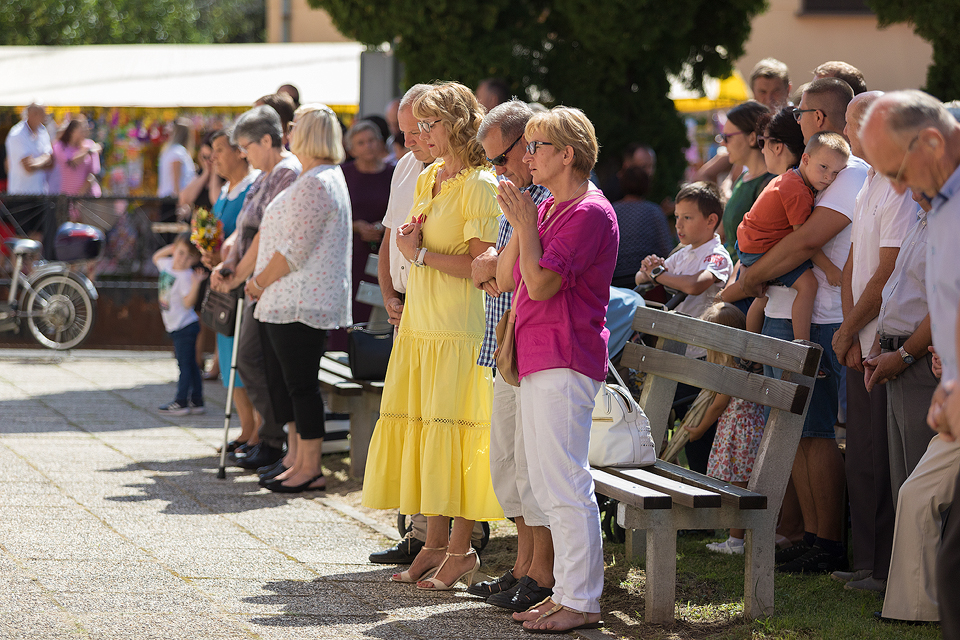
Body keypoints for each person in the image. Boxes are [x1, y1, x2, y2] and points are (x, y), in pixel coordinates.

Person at [360, 82, 501, 593]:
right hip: (422, 325)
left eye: (429, 124)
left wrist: (418, 255)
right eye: (418, 126)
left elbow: (483, 267)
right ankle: (433, 544)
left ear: (458, 124)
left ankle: (461, 550)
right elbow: (408, 239)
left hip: (459, 327)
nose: (420, 134)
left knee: (458, 432)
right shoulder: (430, 176)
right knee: (426, 432)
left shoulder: (481, 185)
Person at [740, 77, 868, 575]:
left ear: (816, 119)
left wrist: (744, 279)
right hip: (786, 309)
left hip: (819, 319)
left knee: (815, 433)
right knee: (795, 429)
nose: (794, 119)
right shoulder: (817, 172)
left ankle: (827, 540)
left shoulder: (849, 174)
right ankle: (811, 536)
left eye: (801, 112)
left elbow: (799, 244)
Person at [495, 105, 615, 633]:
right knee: (546, 484)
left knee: (565, 482)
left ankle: (583, 601)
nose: (527, 155)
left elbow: (541, 284)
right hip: (542, 355)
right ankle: (566, 593)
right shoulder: (553, 207)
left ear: (567, 154)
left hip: (566, 357)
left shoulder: (589, 212)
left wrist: (522, 223)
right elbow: (518, 285)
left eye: (538, 145)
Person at [858, 90, 960, 633]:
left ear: (932, 142)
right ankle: (917, 609)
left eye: (898, 171)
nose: (898, 188)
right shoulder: (939, 205)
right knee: (917, 494)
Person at [825, 91, 917, 593]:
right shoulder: (868, 182)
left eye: (855, 123)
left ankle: (885, 569)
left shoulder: (900, 188)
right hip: (860, 335)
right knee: (861, 452)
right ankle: (866, 560)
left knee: (883, 457)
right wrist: (847, 332)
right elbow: (851, 270)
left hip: (884, 336)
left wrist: (856, 331)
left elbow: (887, 272)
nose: (850, 132)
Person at [470, 99, 555, 612]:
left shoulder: (546, 196)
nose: (496, 170)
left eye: (501, 158)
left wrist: (490, 266)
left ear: (530, 146)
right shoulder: (516, 193)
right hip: (506, 345)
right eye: (491, 162)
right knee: (506, 463)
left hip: (532, 348)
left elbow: (502, 274)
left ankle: (540, 573)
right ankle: (522, 565)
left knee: (528, 464)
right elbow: (493, 268)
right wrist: (490, 265)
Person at [244, 104, 352, 493]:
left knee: (302, 387)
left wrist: (257, 283)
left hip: (301, 300)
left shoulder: (318, 182)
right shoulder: (319, 177)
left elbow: (293, 251)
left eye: (294, 126)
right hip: (297, 299)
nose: (287, 130)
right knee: (296, 386)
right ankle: (297, 459)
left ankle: (309, 467)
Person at [210, 104, 301, 472]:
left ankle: (272, 437)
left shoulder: (286, 173)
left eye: (247, 146)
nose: (243, 154)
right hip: (254, 282)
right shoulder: (265, 175)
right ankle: (269, 437)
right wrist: (230, 256)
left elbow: (268, 235)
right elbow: (245, 226)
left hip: (268, 284)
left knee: (254, 358)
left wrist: (241, 273)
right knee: (252, 359)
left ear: (267, 139)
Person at [635, 181, 732, 473]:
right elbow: (642, 279)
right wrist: (651, 270)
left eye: (687, 218)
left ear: (711, 220)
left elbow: (694, 285)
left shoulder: (717, 255)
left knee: (697, 433)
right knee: (663, 423)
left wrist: (659, 274)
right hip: (679, 354)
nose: (679, 224)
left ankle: (703, 499)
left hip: (704, 357)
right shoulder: (682, 253)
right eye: (676, 217)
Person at [723, 132, 851, 340]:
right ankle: (803, 346)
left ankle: (750, 350)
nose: (829, 177)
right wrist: (829, 269)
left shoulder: (791, 178)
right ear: (806, 159)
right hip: (760, 248)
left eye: (836, 173)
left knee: (764, 294)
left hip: (750, 245)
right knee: (808, 285)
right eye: (824, 168)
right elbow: (803, 241)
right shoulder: (797, 191)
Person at [685, 302, 765, 555]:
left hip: (737, 431)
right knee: (741, 484)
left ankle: (736, 540)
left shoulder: (730, 368)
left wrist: (698, 430)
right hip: (746, 428)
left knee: (738, 486)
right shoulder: (746, 363)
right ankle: (737, 537)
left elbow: (719, 405)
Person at [202, 128, 261, 450]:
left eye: (221, 149)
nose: (215, 157)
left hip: (244, 283)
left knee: (245, 356)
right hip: (226, 284)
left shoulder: (252, 187)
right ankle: (245, 428)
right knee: (228, 357)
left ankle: (258, 431)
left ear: (240, 151)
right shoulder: (226, 189)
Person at [342, 119, 394, 334]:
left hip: (384, 250)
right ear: (352, 149)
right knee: (353, 308)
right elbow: (335, 213)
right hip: (352, 253)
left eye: (372, 140)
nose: (368, 146)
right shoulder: (344, 174)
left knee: (380, 310)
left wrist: (384, 226)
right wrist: (355, 226)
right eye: (361, 143)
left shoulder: (393, 173)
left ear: (380, 142)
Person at [152, 233, 206, 416]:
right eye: (180, 253)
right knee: (190, 364)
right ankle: (197, 400)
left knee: (184, 365)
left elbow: (188, 303)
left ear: (195, 259)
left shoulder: (186, 276)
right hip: (176, 326)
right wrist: (173, 248)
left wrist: (196, 284)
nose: (183, 259)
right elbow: (156, 257)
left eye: (189, 256)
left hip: (185, 326)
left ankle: (181, 401)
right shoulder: (167, 265)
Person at [718, 101, 773, 255]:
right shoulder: (744, 177)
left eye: (727, 137)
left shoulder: (769, 183)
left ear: (752, 138)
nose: (722, 143)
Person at [611, 164, 672, 289]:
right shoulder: (654, 211)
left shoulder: (611, 210)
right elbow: (667, 249)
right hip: (648, 280)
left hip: (614, 281)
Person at [50, 115, 101, 201]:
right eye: (82, 128)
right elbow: (71, 162)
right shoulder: (60, 146)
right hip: (66, 197)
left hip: (87, 198)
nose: (86, 130)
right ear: (72, 131)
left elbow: (94, 173)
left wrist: (80, 195)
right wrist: (88, 151)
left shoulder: (90, 144)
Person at [5, 102, 52, 195]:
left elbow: (51, 161)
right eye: (44, 113)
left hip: (40, 193)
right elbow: (28, 168)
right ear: (34, 114)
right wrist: (44, 159)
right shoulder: (17, 134)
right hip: (20, 195)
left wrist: (36, 162)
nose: (46, 117)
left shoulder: (42, 130)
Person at [158, 118, 196, 200]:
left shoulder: (171, 150)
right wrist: (179, 201)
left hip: (170, 198)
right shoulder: (178, 152)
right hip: (173, 199)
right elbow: (176, 181)